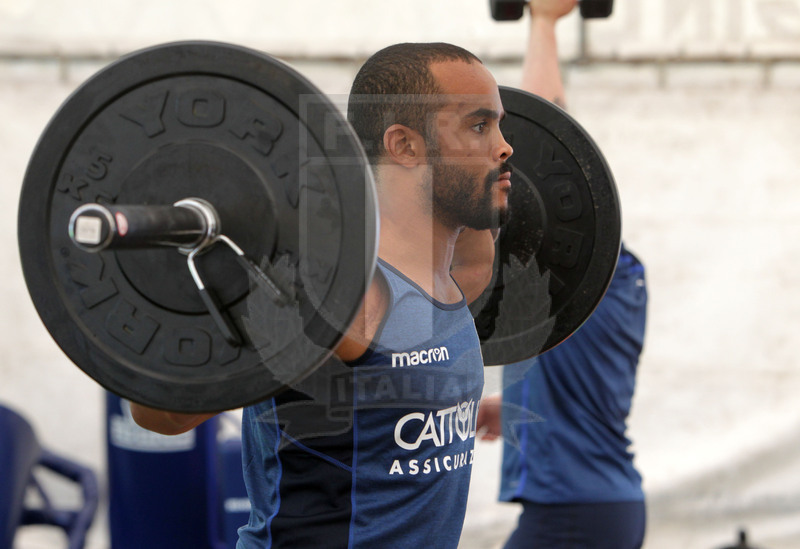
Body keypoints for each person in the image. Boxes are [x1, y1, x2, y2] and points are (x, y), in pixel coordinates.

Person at [131, 42, 513, 547]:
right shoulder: (344, 299)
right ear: (404, 145)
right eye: (479, 126)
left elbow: (483, 213)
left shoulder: (457, 276)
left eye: (499, 126)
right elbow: (162, 415)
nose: (505, 147)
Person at [475, 1, 649, 548]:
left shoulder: (596, 273)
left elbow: (542, 150)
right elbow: (580, 382)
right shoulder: (613, 284)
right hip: (599, 506)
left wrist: (544, 23)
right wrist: (517, 407)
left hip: (574, 511)